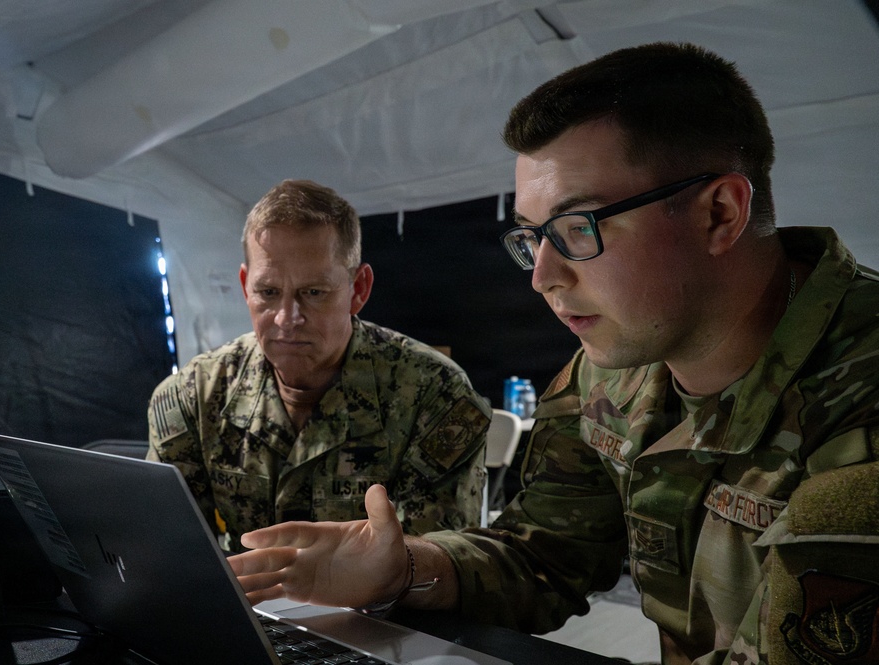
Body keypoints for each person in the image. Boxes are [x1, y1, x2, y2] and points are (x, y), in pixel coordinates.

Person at [227, 43, 879, 665]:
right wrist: (408, 569)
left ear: (719, 213)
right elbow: (547, 553)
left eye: (576, 228)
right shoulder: (611, 375)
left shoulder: (860, 405)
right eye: (533, 237)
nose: (542, 276)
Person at [147, 178, 490, 552]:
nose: (286, 318)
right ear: (246, 286)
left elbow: (439, 567)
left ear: (358, 290)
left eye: (313, 293)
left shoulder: (434, 394)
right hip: (244, 604)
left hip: (376, 610)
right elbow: (168, 547)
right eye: (268, 292)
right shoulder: (194, 394)